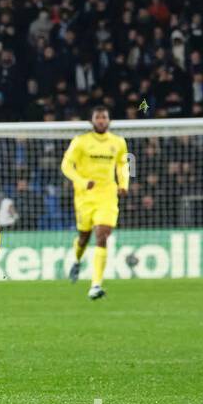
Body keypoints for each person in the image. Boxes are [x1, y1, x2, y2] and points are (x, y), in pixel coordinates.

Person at [61, 106, 130, 300]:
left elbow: (123, 163)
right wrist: (82, 181)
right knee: (83, 236)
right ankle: (76, 259)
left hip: (107, 195)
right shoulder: (81, 142)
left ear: (109, 120)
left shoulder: (118, 142)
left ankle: (95, 285)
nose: (101, 120)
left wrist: (124, 183)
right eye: (98, 117)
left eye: (104, 117)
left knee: (102, 235)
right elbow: (66, 165)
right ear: (92, 121)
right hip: (84, 196)